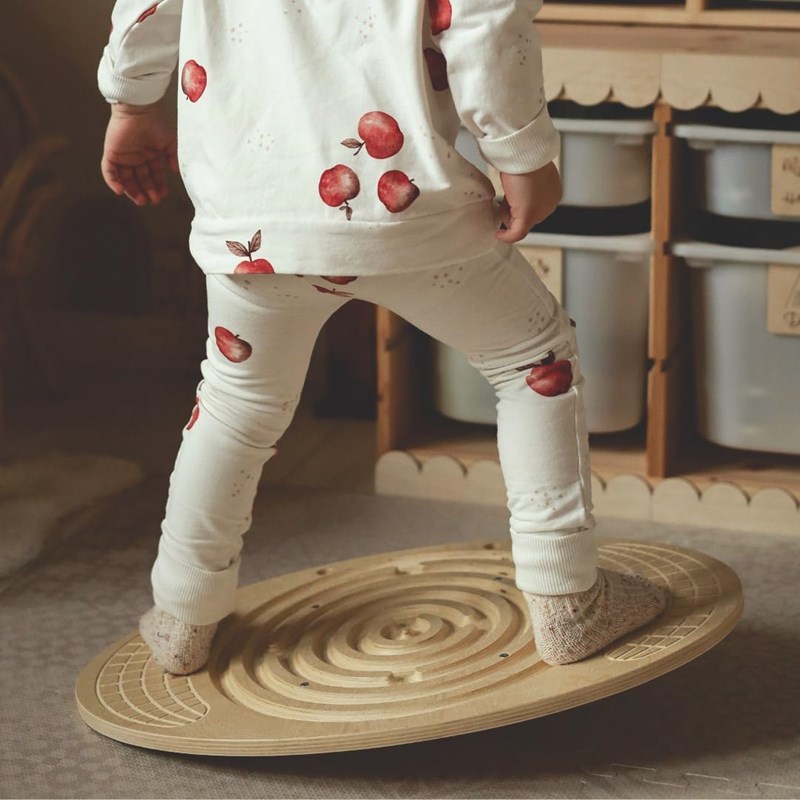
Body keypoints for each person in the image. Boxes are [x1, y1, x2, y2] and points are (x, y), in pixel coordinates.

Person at [97, 0, 668, 675]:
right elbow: (483, 17)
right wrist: (521, 153)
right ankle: (568, 600)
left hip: (252, 222)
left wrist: (131, 106)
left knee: (234, 407)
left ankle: (182, 617)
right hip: (409, 215)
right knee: (531, 360)